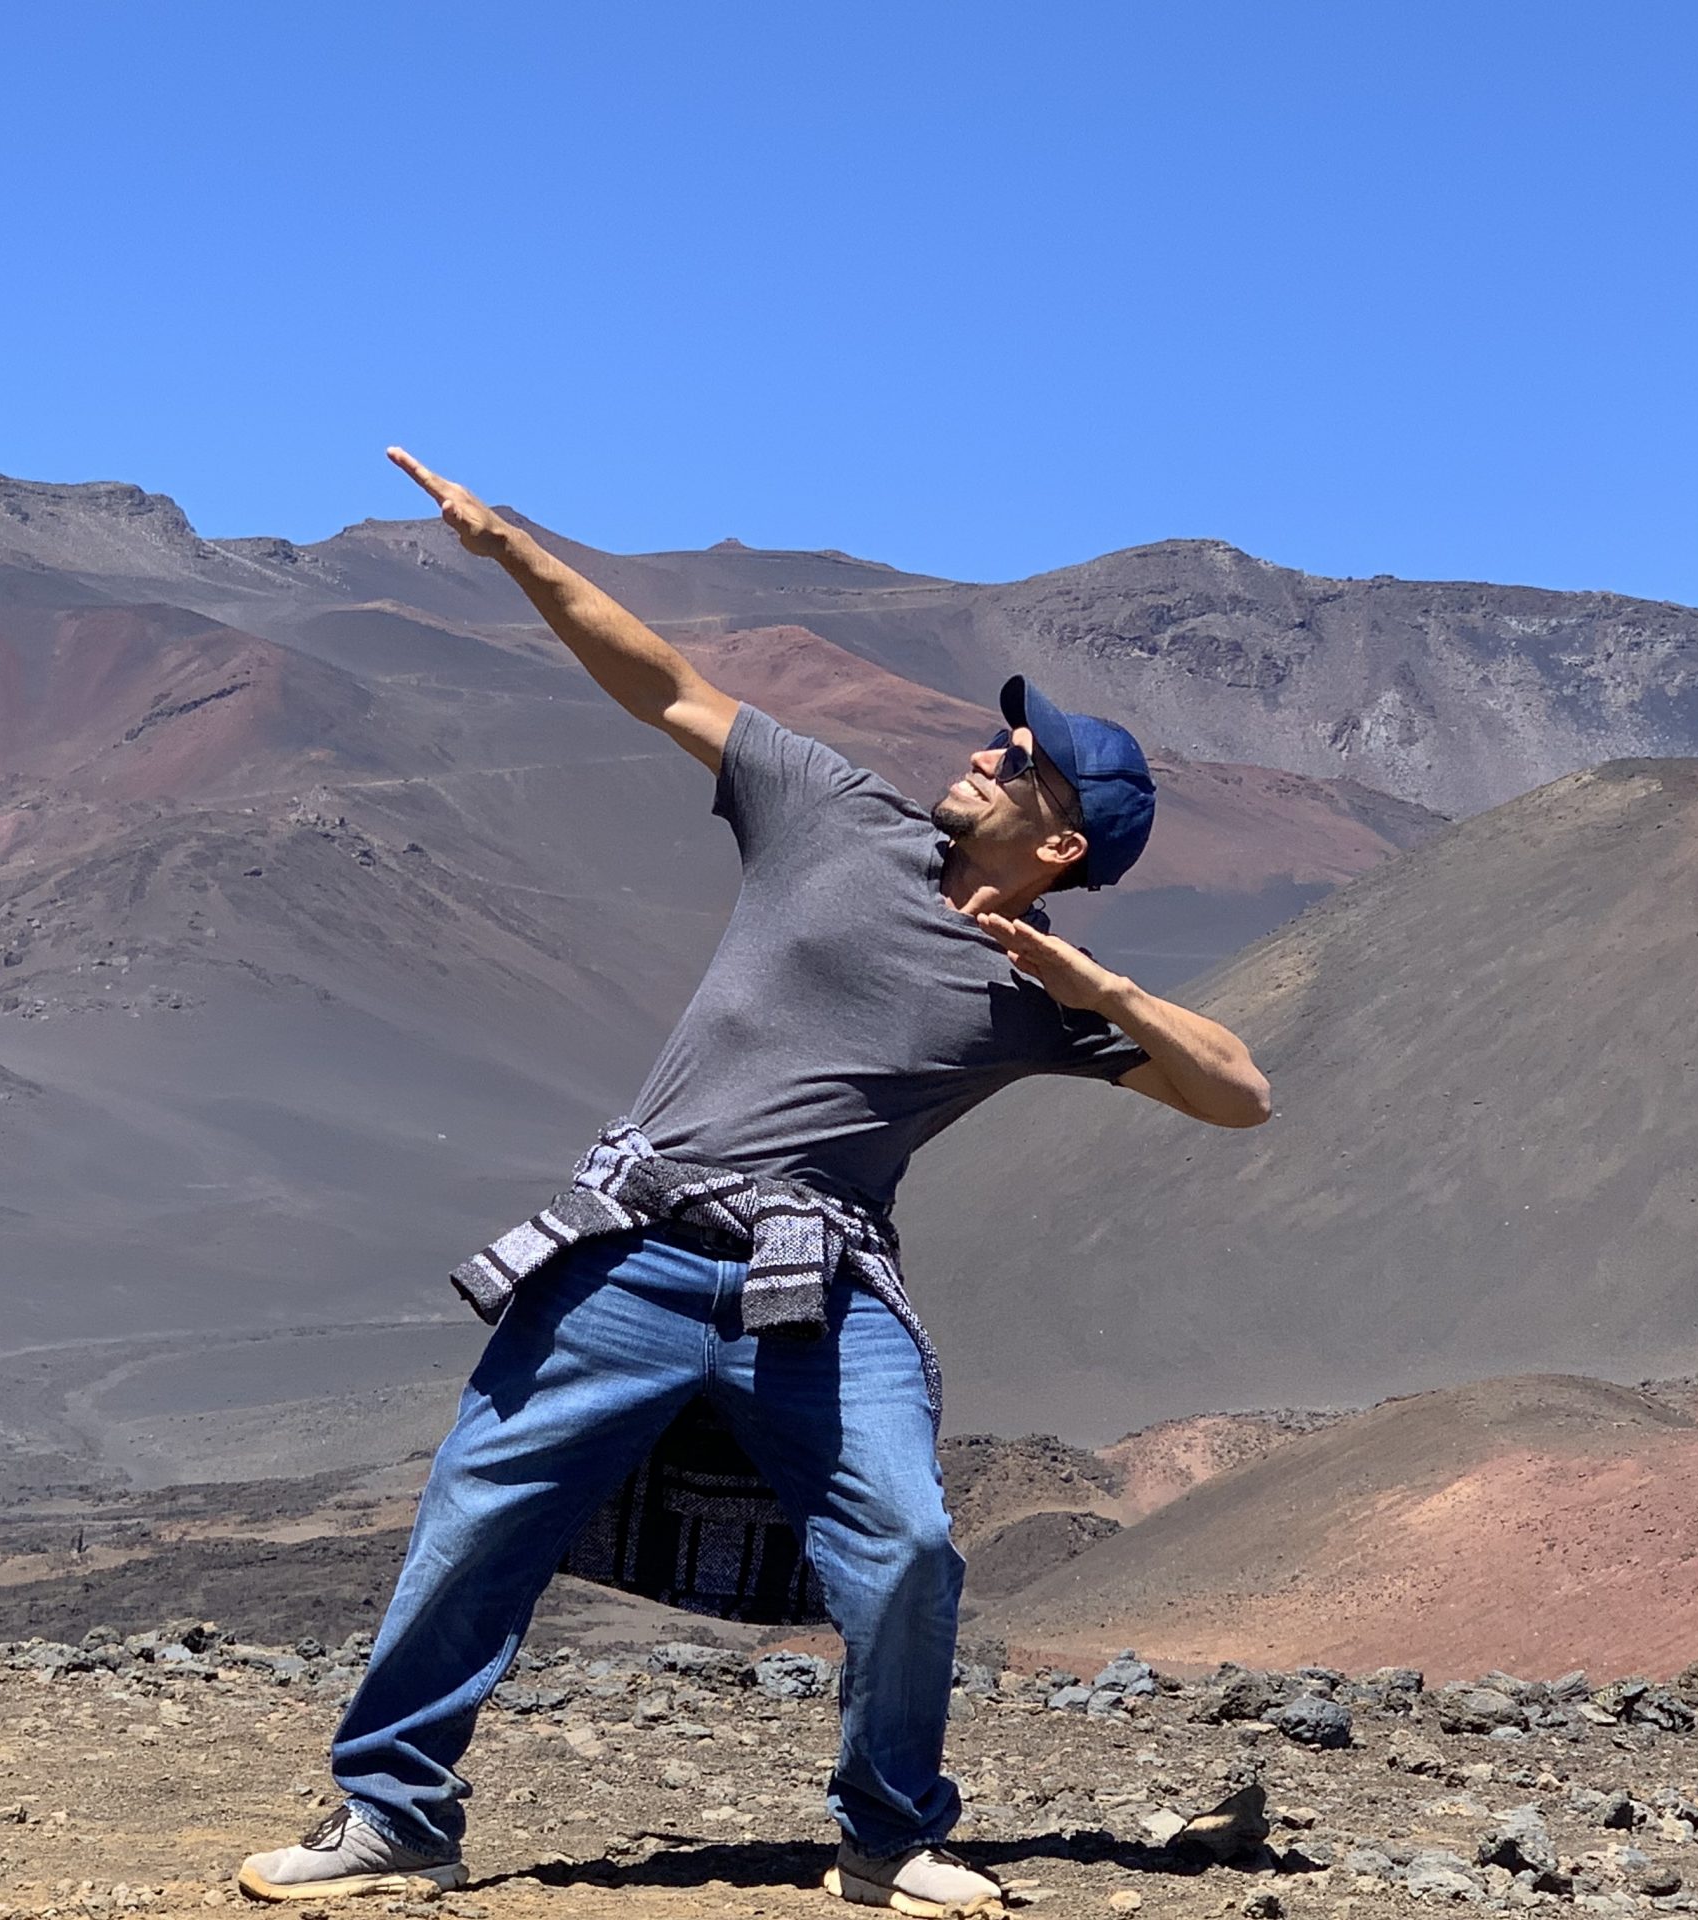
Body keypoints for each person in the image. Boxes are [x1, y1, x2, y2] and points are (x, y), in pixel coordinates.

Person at [239, 450, 1272, 1913]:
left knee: (910, 1543)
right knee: (480, 1514)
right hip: (637, 1250)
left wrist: (1097, 985)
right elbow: (660, 681)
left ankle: (891, 1830)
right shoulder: (832, 812)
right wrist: (510, 549)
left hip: (822, 1283)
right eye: (1000, 739)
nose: (985, 751)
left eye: (1019, 763)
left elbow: (1240, 1095)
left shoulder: (1044, 994)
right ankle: (398, 1816)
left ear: (1062, 842)